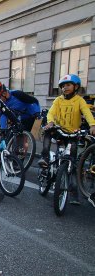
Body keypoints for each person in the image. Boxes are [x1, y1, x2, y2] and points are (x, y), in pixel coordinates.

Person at [37, 74, 95, 205]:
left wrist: (92, 125)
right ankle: (45, 158)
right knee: (47, 132)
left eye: (68, 85)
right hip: (59, 131)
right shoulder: (58, 100)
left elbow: (86, 112)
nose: (65, 88)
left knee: (72, 164)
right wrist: (50, 122)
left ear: (76, 87)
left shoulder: (79, 100)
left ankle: (74, 194)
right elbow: (51, 112)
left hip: (73, 134)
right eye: (63, 86)